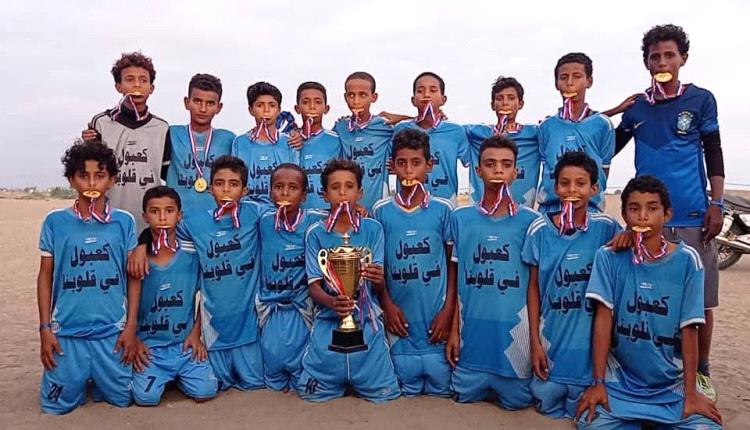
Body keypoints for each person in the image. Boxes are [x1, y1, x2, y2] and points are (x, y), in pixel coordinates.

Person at [611, 24, 724, 400]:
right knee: (650, 299)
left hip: (692, 218)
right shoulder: (638, 107)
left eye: (669, 55)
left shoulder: (701, 100)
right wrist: (613, 111)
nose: (662, 62)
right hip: (646, 220)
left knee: (701, 301)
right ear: (646, 63)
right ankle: (650, 368)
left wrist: (716, 203)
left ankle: (702, 370)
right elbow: (606, 146)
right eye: (654, 57)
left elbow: (714, 152)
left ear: (682, 59)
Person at [576, 175, 722, 429]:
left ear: (667, 214)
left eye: (652, 209)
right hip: (621, 380)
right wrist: (598, 383)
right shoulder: (609, 257)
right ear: (624, 214)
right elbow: (603, 319)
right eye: (634, 209)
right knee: (590, 422)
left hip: (671, 382)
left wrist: (691, 392)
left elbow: (690, 328)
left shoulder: (688, 261)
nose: (643, 217)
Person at [37, 141, 139, 414]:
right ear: (72, 180)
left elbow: (133, 278)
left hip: (112, 332)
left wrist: (130, 327)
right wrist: (45, 329)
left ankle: (98, 378)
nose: (91, 183)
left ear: (112, 180)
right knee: (55, 406)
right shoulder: (55, 222)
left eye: (100, 175)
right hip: (67, 332)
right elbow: (45, 276)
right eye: (83, 176)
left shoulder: (124, 221)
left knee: (123, 399)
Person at [522, 151, 621, 419]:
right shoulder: (539, 230)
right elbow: (534, 288)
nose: (572, 190)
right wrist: (534, 343)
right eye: (565, 183)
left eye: (580, 183)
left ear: (594, 188)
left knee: (589, 411)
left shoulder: (606, 227)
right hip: (551, 342)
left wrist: (627, 239)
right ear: (555, 187)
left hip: (588, 353)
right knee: (544, 401)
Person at [446, 135, 537, 410]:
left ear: (516, 172)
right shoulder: (461, 218)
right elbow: (457, 280)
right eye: (490, 164)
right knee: (461, 398)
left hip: (513, 348)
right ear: (478, 170)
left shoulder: (532, 222)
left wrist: (535, 342)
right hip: (471, 343)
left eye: (506, 164)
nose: (498, 170)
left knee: (519, 403)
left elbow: (535, 287)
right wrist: (453, 332)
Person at [297, 159, 400, 402]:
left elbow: (378, 286)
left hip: (367, 316)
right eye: (335, 187)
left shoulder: (373, 229)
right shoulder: (316, 233)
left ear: (360, 192)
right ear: (324, 195)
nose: (343, 193)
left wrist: (377, 279)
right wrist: (332, 303)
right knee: (311, 393)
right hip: (328, 317)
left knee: (385, 393)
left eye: (349, 186)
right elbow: (314, 286)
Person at [373, 128, 456, 397]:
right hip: (399, 325)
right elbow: (378, 267)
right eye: (402, 163)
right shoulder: (381, 211)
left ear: (429, 166)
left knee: (441, 392)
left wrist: (448, 310)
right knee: (403, 390)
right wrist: (387, 303)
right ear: (392, 166)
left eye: (416, 163)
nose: (409, 170)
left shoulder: (444, 210)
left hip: (436, 324)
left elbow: (452, 264)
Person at [131, 186, 218, 405]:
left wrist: (196, 333)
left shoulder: (192, 255)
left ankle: (180, 377)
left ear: (179, 215)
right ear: (145, 216)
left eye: (169, 211)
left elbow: (207, 296)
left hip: (183, 345)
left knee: (206, 391)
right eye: (154, 211)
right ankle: (161, 376)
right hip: (150, 347)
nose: (162, 217)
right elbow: (125, 303)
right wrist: (134, 339)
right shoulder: (137, 260)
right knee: (146, 398)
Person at [256, 164, 327, 391]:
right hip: (271, 306)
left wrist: (360, 210)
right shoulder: (263, 219)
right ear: (270, 192)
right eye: (278, 187)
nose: (285, 193)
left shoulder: (315, 220)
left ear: (304, 195)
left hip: (302, 307)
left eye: (293, 188)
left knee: (302, 367)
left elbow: (343, 215)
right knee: (272, 362)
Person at [83, 51, 170, 232]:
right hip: (108, 218)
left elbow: (167, 174)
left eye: (143, 80)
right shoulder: (101, 123)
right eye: (130, 79)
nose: (137, 85)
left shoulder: (162, 128)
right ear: (118, 86)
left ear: (151, 88)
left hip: (149, 223)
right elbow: (91, 172)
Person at [537, 53, 614, 213]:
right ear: (556, 83)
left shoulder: (603, 125)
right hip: (551, 209)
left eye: (577, 76)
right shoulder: (546, 127)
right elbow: (546, 166)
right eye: (563, 77)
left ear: (589, 81)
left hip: (589, 209)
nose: (570, 83)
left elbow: (604, 169)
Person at [393, 72, 470, 203]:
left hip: (446, 202)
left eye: (433, 90)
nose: (427, 95)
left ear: (443, 99)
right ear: (413, 100)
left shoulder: (456, 131)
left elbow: (470, 163)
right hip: (408, 204)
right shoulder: (401, 129)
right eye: (420, 91)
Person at [165, 73, 235, 216]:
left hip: (216, 218)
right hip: (177, 219)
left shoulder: (229, 139)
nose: (203, 109)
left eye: (210, 103)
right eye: (197, 101)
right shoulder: (171, 133)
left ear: (219, 107)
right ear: (187, 102)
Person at [464, 76, 540, 207]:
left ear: (520, 104)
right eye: (499, 98)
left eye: (511, 98)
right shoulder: (476, 133)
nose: (505, 103)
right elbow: (448, 131)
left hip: (521, 210)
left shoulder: (536, 134)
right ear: (493, 105)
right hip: (481, 211)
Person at [333, 72, 395, 211]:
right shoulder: (340, 127)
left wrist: (397, 117)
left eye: (362, 95)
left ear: (373, 97)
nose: (356, 101)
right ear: (345, 97)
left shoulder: (384, 126)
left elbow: (417, 124)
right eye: (351, 95)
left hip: (378, 204)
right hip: (349, 205)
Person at [231, 82, 295, 205]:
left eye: (272, 105)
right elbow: (234, 178)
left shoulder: (289, 142)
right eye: (260, 105)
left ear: (279, 110)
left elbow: (295, 179)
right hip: (247, 208)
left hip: (280, 208)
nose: (266, 110)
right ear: (251, 110)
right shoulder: (240, 142)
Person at [294, 81, 343, 209]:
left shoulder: (337, 140)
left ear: (326, 108)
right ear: (297, 108)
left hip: (328, 210)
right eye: (306, 102)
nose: (312, 107)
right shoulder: (290, 141)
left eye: (318, 102)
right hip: (297, 212)